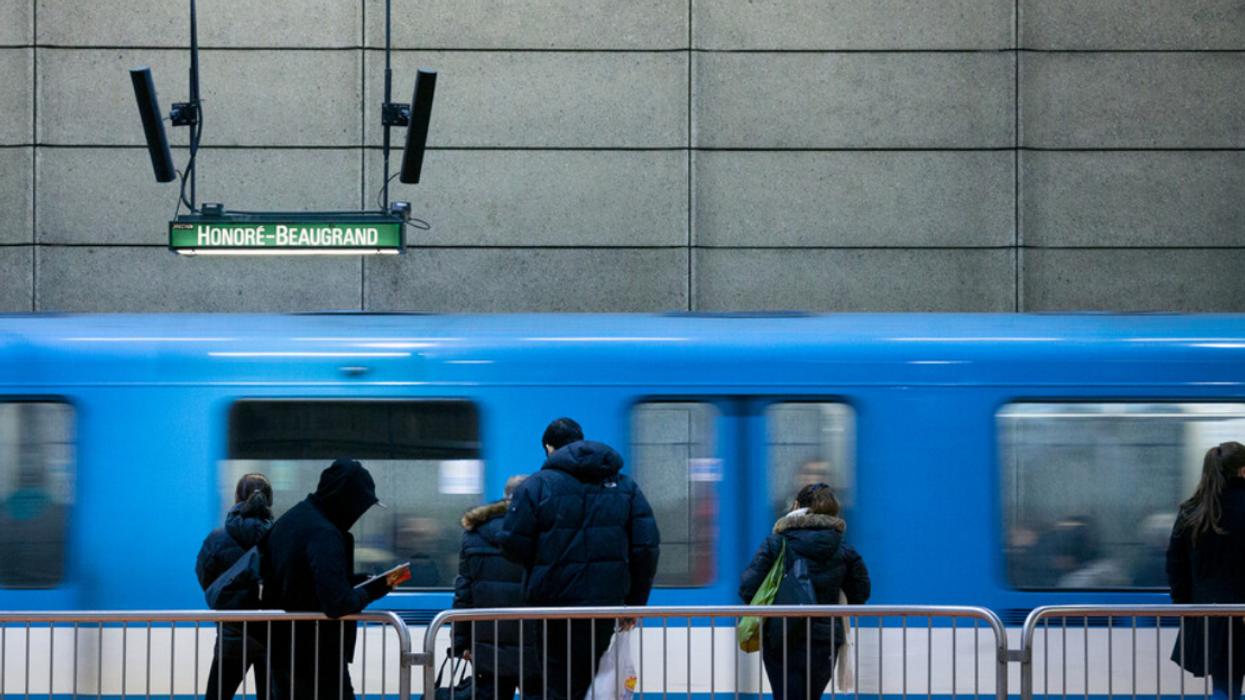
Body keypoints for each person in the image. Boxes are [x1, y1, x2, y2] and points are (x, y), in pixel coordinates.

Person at [499, 417, 660, 700]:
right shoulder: (626, 487)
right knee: (594, 682)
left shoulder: (534, 487)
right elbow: (646, 548)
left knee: (557, 686)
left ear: (549, 447)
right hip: (604, 609)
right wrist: (634, 604)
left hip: (552, 609)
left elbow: (513, 548)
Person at [261, 458, 403, 700]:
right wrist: (376, 588)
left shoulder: (293, 518)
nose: (360, 513)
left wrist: (355, 581)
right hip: (315, 654)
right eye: (361, 505)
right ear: (348, 499)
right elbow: (337, 603)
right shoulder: (323, 532)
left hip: (283, 649)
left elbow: (301, 578)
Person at [739, 483, 870, 700]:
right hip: (825, 642)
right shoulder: (844, 549)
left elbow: (747, 588)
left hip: (782, 638)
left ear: (796, 506)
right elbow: (861, 593)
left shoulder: (777, 543)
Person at [1168, 442, 1245, 700]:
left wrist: (1189, 609)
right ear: (1243, 470)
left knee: (1225, 686)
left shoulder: (1192, 512)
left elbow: (1176, 568)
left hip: (1209, 615)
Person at [454, 475, 539, 700]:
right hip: (536, 649)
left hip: (488, 650)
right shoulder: (544, 531)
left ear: (504, 496)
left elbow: (464, 592)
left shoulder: (474, 534)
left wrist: (461, 641)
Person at [195, 474, 274, 700]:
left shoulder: (217, 537)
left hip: (232, 634)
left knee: (218, 695)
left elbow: (206, 579)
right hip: (271, 634)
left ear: (236, 497)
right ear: (269, 501)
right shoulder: (279, 535)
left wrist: (229, 600)